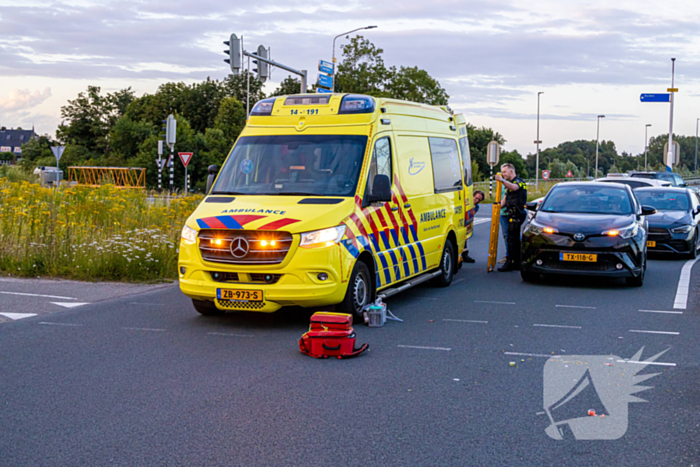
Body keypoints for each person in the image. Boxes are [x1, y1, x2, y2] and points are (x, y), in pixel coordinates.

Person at [495, 163, 527, 272]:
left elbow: (514, 188)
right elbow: (505, 200)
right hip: (511, 214)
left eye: (504, 172)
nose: (503, 174)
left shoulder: (518, 181)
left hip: (517, 214)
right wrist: (497, 207)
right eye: (502, 172)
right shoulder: (509, 185)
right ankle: (516, 262)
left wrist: (502, 181)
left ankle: (511, 261)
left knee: (512, 239)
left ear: (511, 171)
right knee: (511, 239)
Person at [461, 190, 485, 263]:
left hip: (466, 222)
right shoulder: (464, 201)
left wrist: (471, 206)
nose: (476, 200)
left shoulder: (476, 207)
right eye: (476, 198)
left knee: (465, 238)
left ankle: (464, 254)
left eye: (479, 200)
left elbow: (471, 214)